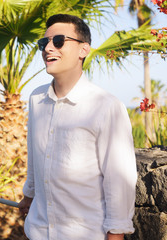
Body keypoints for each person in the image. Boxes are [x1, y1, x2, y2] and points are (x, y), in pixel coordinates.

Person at [18, 14, 137, 240]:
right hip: (38, 232)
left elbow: (119, 180)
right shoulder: (36, 98)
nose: (48, 48)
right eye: (44, 43)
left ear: (84, 50)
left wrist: (116, 235)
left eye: (59, 41)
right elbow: (34, 155)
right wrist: (29, 195)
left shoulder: (107, 106)